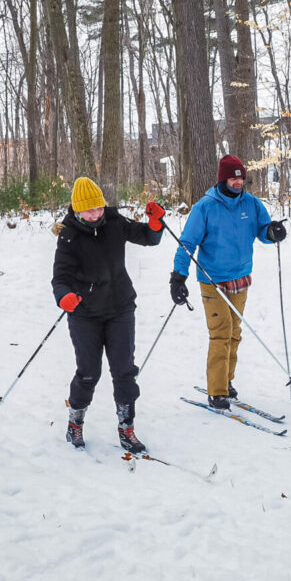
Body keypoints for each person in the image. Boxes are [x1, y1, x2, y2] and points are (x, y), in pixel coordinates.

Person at [52, 176, 165, 452]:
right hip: (84, 313)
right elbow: (60, 277)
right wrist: (64, 296)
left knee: (124, 371)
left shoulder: (115, 222)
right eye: (89, 210)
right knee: (89, 372)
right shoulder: (69, 235)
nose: (96, 214)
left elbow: (149, 237)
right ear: (78, 210)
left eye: (99, 207)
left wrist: (155, 222)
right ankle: (75, 423)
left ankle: (127, 430)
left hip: (120, 308)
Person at [168, 155, 287, 410]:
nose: (237, 182)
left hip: (241, 277)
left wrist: (273, 233)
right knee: (220, 334)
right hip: (213, 280)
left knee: (234, 333)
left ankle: (227, 381)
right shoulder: (205, 207)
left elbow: (263, 231)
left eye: (241, 177)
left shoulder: (251, 204)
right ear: (223, 178)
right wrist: (178, 276)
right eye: (233, 177)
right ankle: (217, 391)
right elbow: (187, 243)